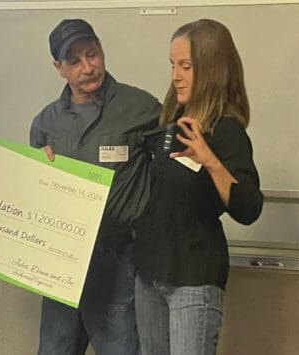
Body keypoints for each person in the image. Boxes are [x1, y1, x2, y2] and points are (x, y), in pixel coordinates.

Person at [131, 19, 264, 355]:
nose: (175, 75)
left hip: (193, 278)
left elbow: (248, 208)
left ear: (211, 69)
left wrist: (210, 161)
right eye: (173, 65)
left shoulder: (227, 130)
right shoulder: (171, 123)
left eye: (186, 66)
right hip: (150, 274)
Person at [30, 18, 161, 355]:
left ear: (102, 50)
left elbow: (175, 170)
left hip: (117, 260)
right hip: (60, 262)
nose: (88, 67)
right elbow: (33, 194)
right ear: (59, 68)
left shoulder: (141, 107)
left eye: (92, 54)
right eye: (74, 61)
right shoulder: (45, 122)